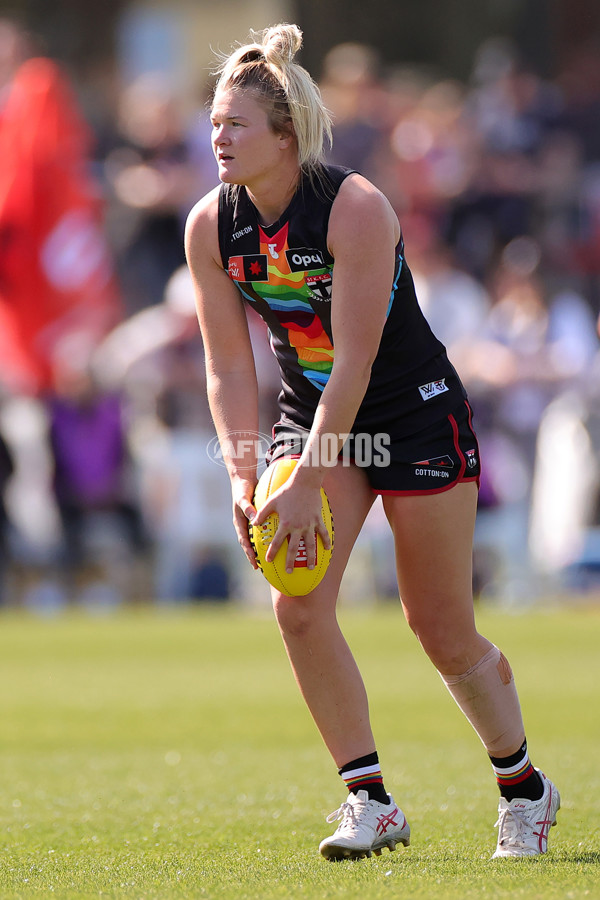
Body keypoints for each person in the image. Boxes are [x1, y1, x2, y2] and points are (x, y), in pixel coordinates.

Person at [185, 23, 559, 861]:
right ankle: (370, 799)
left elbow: (355, 361)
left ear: (286, 135)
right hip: (312, 415)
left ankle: (524, 788)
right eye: (214, 122)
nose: (218, 137)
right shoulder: (210, 225)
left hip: (410, 411)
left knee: (441, 628)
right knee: (298, 603)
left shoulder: (355, 207)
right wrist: (247, 480)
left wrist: (309, 475)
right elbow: (227, 371)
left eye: (235, 124)